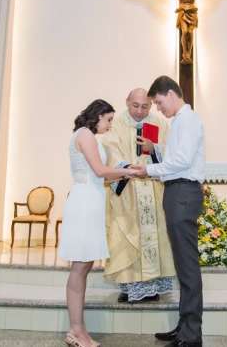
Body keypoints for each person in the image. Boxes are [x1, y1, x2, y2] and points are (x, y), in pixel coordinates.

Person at [132, 76, 206, 347]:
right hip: (177, 192)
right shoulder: (180, 123)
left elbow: (183, 161)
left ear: (172, 94)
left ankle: (191, 335)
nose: (159, 109)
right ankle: (184, 327)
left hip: (183, 194)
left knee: (187, 266)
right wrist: (156, 150)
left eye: (159, 103)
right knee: (182, 265)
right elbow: (177, 157)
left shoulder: (189, 120)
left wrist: (147, 169)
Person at [58, 99, 139, 347]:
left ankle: (78, 330)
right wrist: (128, 171)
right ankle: (76, 331)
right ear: (98, 115)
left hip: (90, 200)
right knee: (79, 267)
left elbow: (100, 175)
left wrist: (120, 171)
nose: (110, 125)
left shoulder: (87, 136)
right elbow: (100, 171)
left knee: (83, 266)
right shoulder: (85, 135)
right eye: (109, 120)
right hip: (83, 203)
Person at [100, 88, 176, 304]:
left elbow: (172, 152)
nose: (140, 111)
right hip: (128, 191)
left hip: (153, 190)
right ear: (127, 102)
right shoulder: (116, 123)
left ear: (151, 105)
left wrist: (155, 149)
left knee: (154, 239)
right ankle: (129, 286)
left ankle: (152, 288)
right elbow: (110, 149)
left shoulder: (160, 124)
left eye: (145, 106)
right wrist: (126, 168)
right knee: (126, 240)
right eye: (135, 106)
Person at [139, 0, 227, 65]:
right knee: (184, 32)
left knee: (190, 32)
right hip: (182, 10)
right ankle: (185, 55)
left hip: (192, 10)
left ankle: (188, 54)